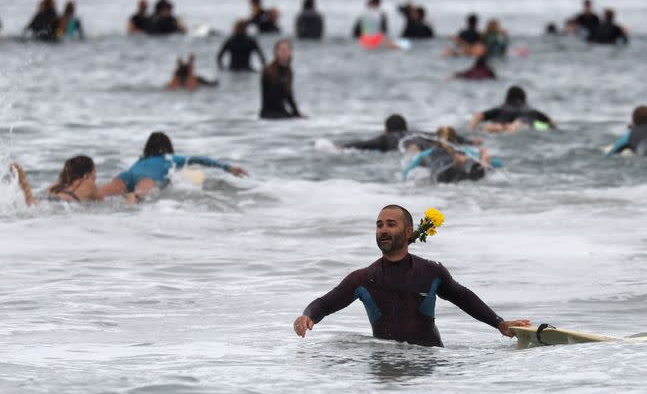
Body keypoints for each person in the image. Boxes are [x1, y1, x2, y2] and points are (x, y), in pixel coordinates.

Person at [292, 205, 530, 347]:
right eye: (379, 225)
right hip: (385, 364)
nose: (383, 229)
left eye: (390, 224)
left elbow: (464, 298)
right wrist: (307, 315)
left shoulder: (431, 272)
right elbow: (325, 303)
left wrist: (500, 323)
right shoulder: (363, 278)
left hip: (430, 363)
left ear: (408, 232)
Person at [97, 132, 247, 202]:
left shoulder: (141, 160)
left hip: (126, 175)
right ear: (168, 147)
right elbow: (198, 159)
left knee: (98, 195)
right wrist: (227, 167)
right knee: (136, 197)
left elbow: (134, 173)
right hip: (148, 179)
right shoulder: (169, 158)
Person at [402, 128, 499, 184]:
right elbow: (496, 163)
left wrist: (405, 179)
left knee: (440, 177)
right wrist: (486, 160)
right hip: (463, 170)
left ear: (436, 139)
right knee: (472, 171)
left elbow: (407, 171)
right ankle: (476, 165)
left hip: (440, 173)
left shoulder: (428, 153)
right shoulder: (463, 151)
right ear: (455, 139)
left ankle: (455, 166)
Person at [9, 157, 100, 205]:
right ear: (87, 174)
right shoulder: (88, 184)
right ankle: (26, 189)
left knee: (33, 203)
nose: (96, 176)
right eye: (94, 172)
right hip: (64, 203)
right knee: (32, 204)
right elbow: (101, 202)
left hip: (48, 200)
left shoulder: (58, 185)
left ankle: (25, 188)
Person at [468, 86, 556, 133]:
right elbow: (551, 123)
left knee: (493, 127)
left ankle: (499, 127)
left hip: (500, 122)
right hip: (522, 123)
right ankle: (513, 126)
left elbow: (478, 115)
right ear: (524, 98)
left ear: (507, 98)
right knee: (520, 126)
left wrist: (471, 130)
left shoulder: (500, 109)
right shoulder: (532, 111)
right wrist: (548, 126)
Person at [260, 39, 302, 119]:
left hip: (282, 112)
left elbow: (289, 96)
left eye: (287, 50)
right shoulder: (268, 71)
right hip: (268, 114)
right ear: (276, 52)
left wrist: (297, 113)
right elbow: (271, 97)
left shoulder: (289, 71)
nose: (284, 52)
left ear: (290, 52)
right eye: (282, 50)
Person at [340, 114, 409, 151]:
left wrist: (341, 147)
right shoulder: (414, 135)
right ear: (406, 127)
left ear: (386, 130)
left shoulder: (386, 138)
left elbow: (364, 144)